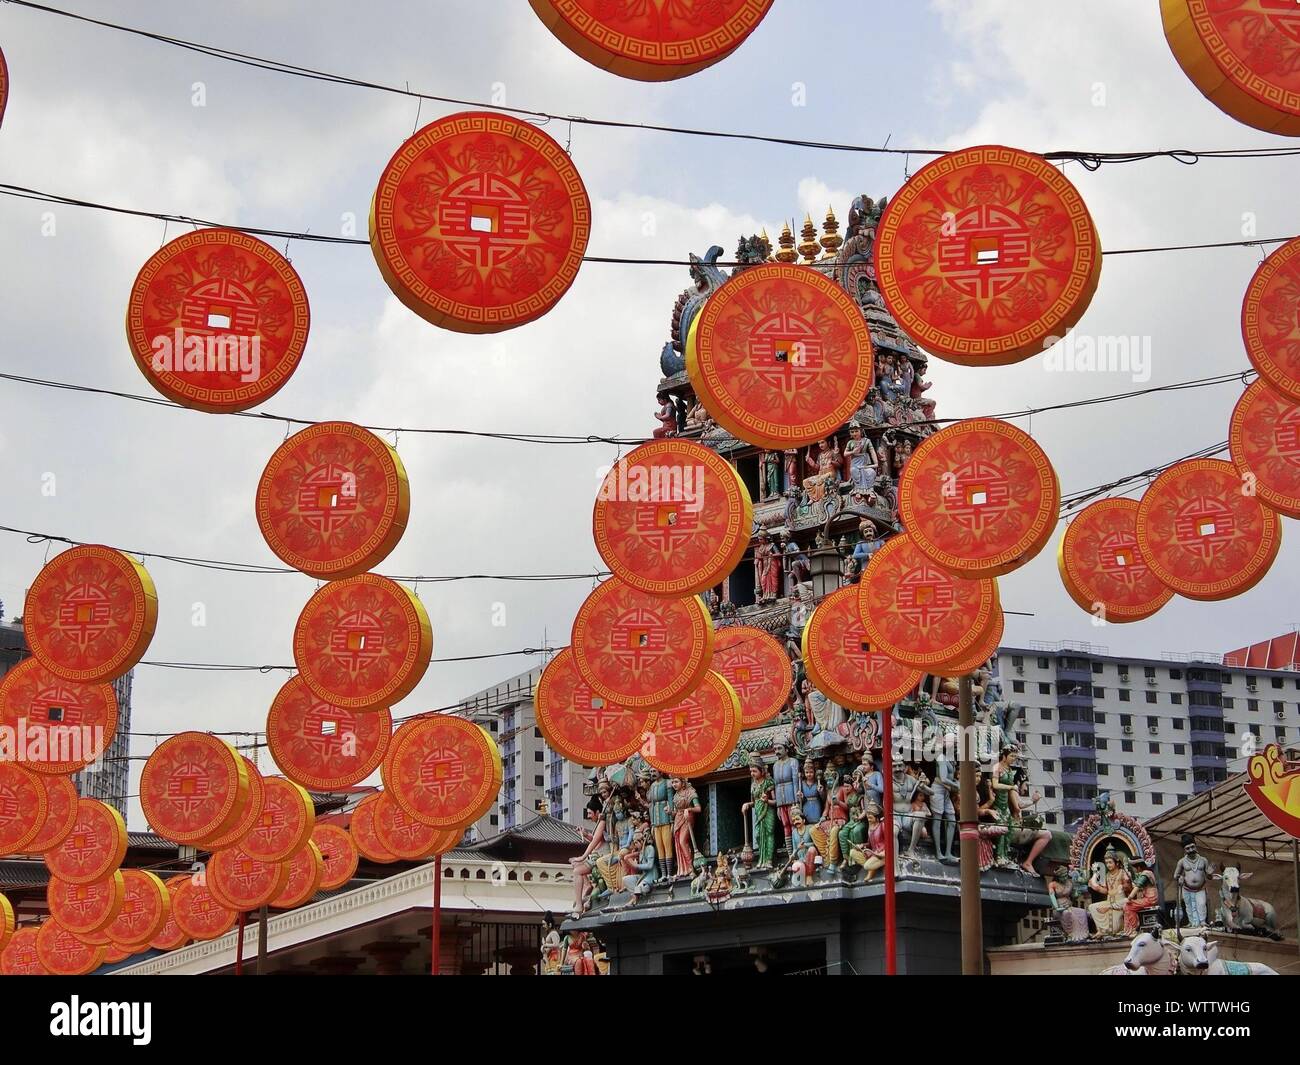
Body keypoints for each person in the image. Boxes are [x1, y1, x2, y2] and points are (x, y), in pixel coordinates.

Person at [1088, 847, 1131, 938]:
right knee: (1092, 907)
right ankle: (1101, 930)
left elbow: (1129, 888)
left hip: (1119, 902)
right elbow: (1106, 891)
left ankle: (1108, 931)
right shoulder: (1107, 875)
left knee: (1126, 901)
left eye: (1110, 862)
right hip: (1109, 901)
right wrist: (1097, 886)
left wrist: (1123, 886)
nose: (1108, 865)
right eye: (1106, 863)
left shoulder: (1122, 872)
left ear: (1117, 862)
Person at [1173, 833, 1211, 928]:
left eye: (1192, 847)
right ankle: (1192, 923)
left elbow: (1209, 876)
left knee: (1201, 904)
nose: (1191, 850)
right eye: (1188, 848)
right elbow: (1175, 875)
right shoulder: (1181, 861)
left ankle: (1202, 922)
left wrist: (1210, 874)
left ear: (1195, 846)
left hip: (1200, 888)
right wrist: (1180, 877)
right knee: (1189, 906)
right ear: (1184, 850)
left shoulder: (1203, 860)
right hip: (1186, 888)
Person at [1123, 858, 1159, 936]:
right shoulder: (1147, 873)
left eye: (1134, 868)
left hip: (1150, 899)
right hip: (1148, 898)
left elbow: (1137, 887)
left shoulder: (1146, 874)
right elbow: (1135, 884)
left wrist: (1129, 898)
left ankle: (1134, 929)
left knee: (1128, 906)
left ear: (1138, 867)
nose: (1134, 870)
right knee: (1126, 906)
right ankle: (1127, 929)